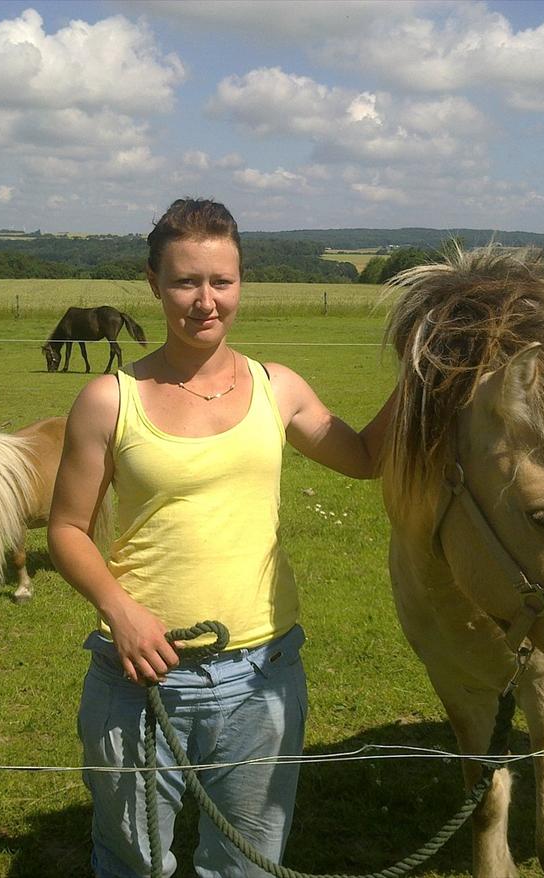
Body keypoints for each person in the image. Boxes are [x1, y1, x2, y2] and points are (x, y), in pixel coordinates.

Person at [47, 197, 395, 878]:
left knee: (246, 865)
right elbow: (66, 529)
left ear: (241, 284)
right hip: (141, 678)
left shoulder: (278, 388)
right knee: (133, 863)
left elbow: (363, 458)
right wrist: (119, 610)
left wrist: (425, 373)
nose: (205, 301)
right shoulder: (109, 400)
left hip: (262, 676)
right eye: (185, 282)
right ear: (153, 284)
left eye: (221, 281)